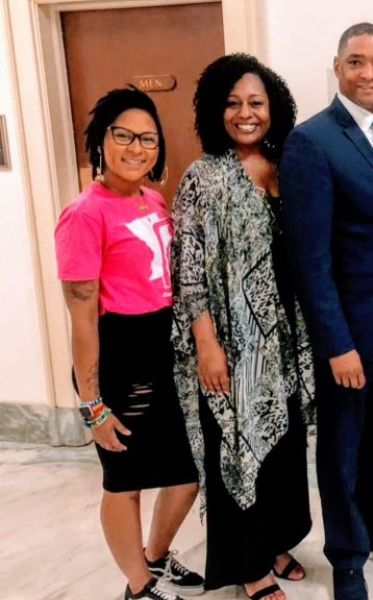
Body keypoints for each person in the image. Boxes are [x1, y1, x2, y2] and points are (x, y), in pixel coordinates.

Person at [280, 22, 373, 600]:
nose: (370, 74)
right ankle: (346, 556)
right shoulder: (311, 141)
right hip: (349, 336)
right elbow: (308, 258)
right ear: (337, 66)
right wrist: (335, 341)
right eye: (358, 62)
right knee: (342, 446)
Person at [170, 54, 315, 600]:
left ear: (273, 108)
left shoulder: (284, 167)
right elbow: (187, 269)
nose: (245, 113)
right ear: (215, 110)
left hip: (282, 342)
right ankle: (251, 569)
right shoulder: (203, 178)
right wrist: (207, 344)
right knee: (237, 449)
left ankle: (276, 542)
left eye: (256, 102)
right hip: (231, 344)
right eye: (232, 103)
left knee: (280, 447)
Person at [55, 87, 203, 600]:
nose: (136, 148)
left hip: (161, 351)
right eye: (124, 135)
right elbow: (81, 318)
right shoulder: (83, 214)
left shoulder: (151, 199)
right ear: (101, 140)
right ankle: (139, 587)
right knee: (125, 480)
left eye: (148, 138)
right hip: (117, 356)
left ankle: (155, 559)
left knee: (186, 476)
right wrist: (92, 403)